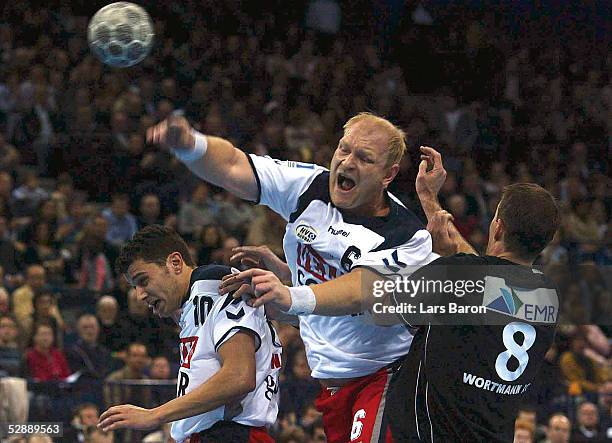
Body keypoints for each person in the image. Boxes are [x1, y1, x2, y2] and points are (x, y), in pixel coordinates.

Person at [228, 147, 561, 441]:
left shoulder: (462, 277)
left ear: (497, 226)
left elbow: (370, 300)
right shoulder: (545, 297)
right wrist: (430, 203)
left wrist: (292, 284)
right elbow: (484, 278)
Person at [148, 112, 437, 442]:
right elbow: (233, 166)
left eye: (364, 157)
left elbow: (361, 290)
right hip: (333, 382)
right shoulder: (309, 187)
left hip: (389, 375)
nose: (348, 162)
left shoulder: (406, 237)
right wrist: (190, 144)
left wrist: (289, 294)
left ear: (388, 175)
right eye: (344, 149)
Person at [98, 225, 281, 442]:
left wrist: (154, 415)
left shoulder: (213, 285)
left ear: (175, 263)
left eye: (143, 281)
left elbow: (239, 377)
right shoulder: (191, 305)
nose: (139, 295)